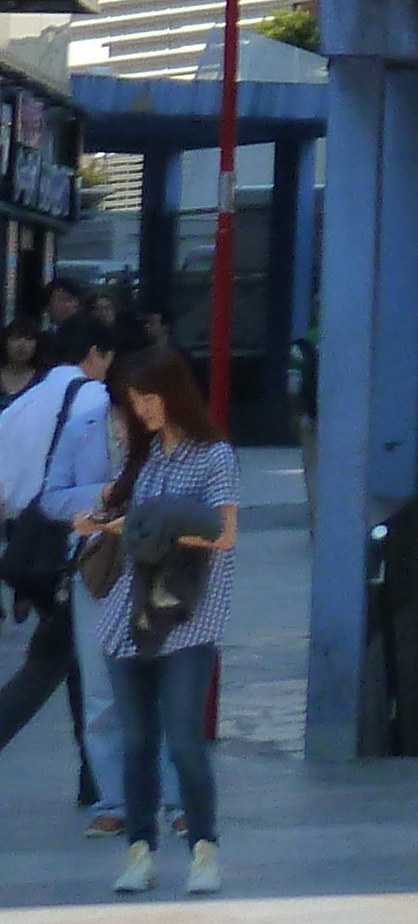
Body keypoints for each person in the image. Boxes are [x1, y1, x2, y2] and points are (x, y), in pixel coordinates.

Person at [79, 347, 232, 899]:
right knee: (138, 741)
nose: (141, 410)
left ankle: (204, 850)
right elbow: (129, 524)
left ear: (175, 394)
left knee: (185, 740)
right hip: (127, 617)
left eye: (149, 397)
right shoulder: (140, 461)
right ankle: (139, 852)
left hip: (187, 619)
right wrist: (105, 524)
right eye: (133, 401)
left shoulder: (214, 456)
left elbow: (223, 535)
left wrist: (151, 529)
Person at [0, 325, 115, 827]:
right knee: (61, 667)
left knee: (67, 663)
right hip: (74, 551)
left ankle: (98, 781)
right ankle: (102, 783)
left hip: (31, 548)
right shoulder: (94, 400)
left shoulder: (25, 402)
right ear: (95, 354)